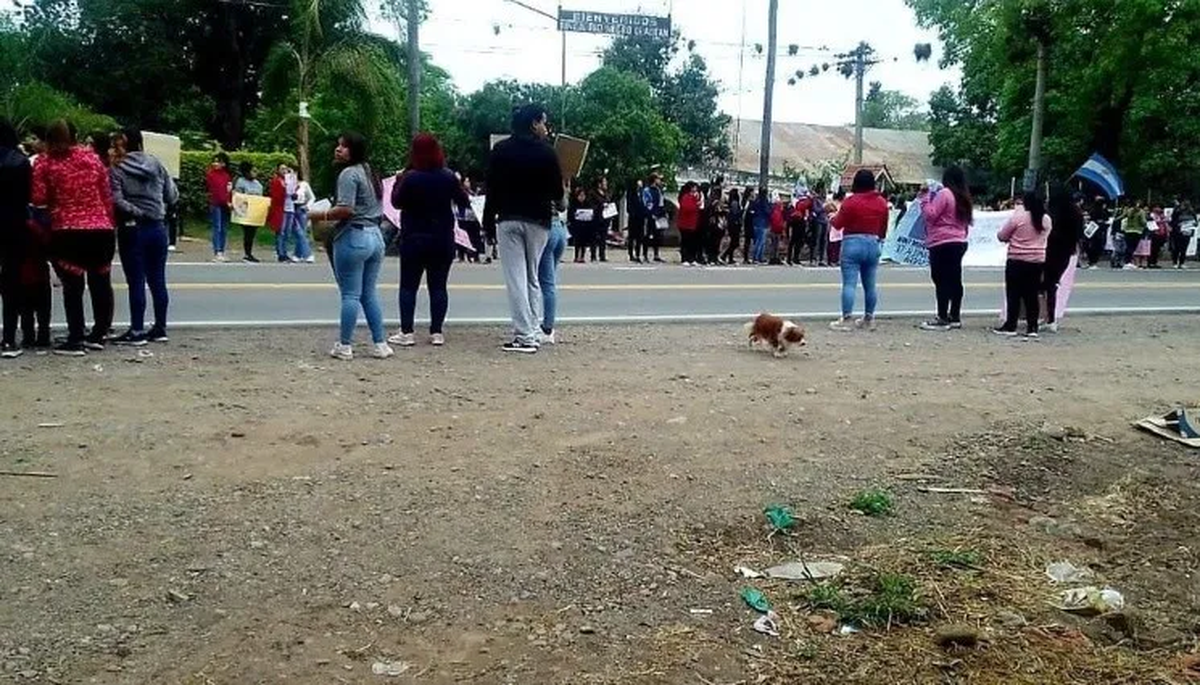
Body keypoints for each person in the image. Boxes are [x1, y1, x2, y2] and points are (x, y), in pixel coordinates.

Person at [482, 103, 564, 353]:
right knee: (532, 277)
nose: (546, 128)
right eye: (543, 122)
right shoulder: (548, 153)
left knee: (515, 278)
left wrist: (487, 222)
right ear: (533, 123)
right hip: (539, 220)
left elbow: (492, 190)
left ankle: (524, 334)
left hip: (508, 218)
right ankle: (534, 330)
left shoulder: (501, 150)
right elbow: (558, 195)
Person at [30, 120, 116, 356]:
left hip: (67, 229)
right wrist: (108, 221)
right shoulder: (92, 158)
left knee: (73, 287)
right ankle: (99, 333)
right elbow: (106, 194)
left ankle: (76, 337)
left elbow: (38, 198)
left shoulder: (44, 163)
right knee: (100, 282)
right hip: (101, 229)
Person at [307, 131, 393, 361]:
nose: (338, 149)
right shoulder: (370, 172)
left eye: (344, 146)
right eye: (338, 145)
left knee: (350, 295)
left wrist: (316, 214)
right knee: (369, 293)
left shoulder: (348, 174)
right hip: (375, 237)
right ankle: (380, 343)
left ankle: (345, 345)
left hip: (354, 236)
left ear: (353, 150)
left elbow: (345, 209)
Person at [388, 134, 470, 348]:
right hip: (442, 238)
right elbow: (464, 201)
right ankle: (436, 332)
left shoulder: (410, 177)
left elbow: (396, 202)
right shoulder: (448, 176)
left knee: (408, 286)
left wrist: (398, 181)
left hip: (414, 237)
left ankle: (407, 331)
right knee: (438, 286)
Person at [109, 128, 179, 346]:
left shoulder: (117, 168)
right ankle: (160, 327)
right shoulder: (156, 163)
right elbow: (171, 194)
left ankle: (137, 329)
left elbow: (117, 199)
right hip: (158, 228)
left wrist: (137, 211)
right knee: (158, 280)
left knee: (136, 281)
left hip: (133, 228)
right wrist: (157, 208)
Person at [829, 169, 889, 332]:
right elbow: (884, 228)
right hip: (873, 242)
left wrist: (832, 217)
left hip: (852, 243)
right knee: (870, 284)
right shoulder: (882, 203)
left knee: (849, 284)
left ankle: (846, 318)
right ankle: (869, 318)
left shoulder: (851, 201)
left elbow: (838, 223)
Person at [918, 166, 973, 331]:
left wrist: (925, 198)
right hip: (959, 241)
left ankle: (942, 316)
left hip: (941, 242)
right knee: (955, 279)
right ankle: (954, 315)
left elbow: (931, 214)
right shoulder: (964, 197)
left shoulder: (945, 194)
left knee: (940, 279)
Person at [0, 120, 38, 358]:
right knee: (12, 281)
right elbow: (29, 196)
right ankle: (9, 338)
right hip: (14, 225)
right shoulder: (20, 162)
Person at [994, 191, 1051, 338]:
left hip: (1017, 260)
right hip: (1037, 261)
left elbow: (1002, 236)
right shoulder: (1046, 220)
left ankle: (1011, 325)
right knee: (1031, 295)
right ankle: (1032, 327)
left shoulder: (1018, 217)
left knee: (1013, 294)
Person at [1044, 188, 1082, 333]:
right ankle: (1051, 319)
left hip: (1049, 251)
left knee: (1045, 285)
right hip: (1066, 252)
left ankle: (1047, 317)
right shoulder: (1076, 214)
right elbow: (1079, 235)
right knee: (1053, 284)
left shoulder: (1052, 214)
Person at [539, 188, 569, 344]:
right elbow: (563, 205)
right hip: (559, 227)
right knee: (549, 282)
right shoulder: (554, 178)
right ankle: (547, 324)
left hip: (544, 226)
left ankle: (547, 328)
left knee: (543, 282)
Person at [233, 162, 264, 262]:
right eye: (253, 171)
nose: (255, 173)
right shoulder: (241, 182)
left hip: (255, 211)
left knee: (252, 232)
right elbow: (238, 195)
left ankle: (249, 253)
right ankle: (247, 253)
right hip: (245, 211)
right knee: (248, 232)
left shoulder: (257, 183)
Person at [206, 153, 233, 261]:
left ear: (224, 164)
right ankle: (217, 251)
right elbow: (216, 190)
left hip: (225, 204)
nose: (215, 164)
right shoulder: (211, 174)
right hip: (216, 203)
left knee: (224, 228)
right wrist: (226, 201)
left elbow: (228, 190)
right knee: (217, 227)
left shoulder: (226, 175)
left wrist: (229, 201)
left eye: (218, 162)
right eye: (214, 161)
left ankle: (221, 250)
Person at [641, 173, 666, 263]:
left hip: (658, 215)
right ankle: (645, 255)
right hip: (649, 216)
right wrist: (651, 213)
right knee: (647, 235)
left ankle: (656, 254)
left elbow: (661, 203)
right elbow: (646, 203)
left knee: (657, 236)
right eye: (658, 179)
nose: (659, 181)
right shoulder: (647, 190)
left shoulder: (658, 190)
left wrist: (662, 213)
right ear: (654, 180)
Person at [676, 182, 702, 266]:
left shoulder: (695, 197)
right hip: (685, 223)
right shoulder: (686, 196)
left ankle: (692, 258)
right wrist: (696, 205)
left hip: (693, 223)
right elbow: (687, 208)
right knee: (685, 241)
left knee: (692, 242)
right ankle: (685, 258)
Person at [1169, 201, 1196, 269]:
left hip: (1187, 232)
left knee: (1184, 248)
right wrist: (1178, 225)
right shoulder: (1178, 212)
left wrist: (1194, 225)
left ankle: (1182, 263)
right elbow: (1173, 220)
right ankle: (1175, 262)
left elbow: (1195, 222)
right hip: (1178, 232)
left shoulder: (1192, 212)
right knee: (1176, 248)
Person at [568, 186, 591, 264]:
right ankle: (576, 256)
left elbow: (590, 213)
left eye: (583, 196)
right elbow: (570, 214)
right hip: (576, 225)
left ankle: (582, 256)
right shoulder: (574, 204)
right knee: (577, 241)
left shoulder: (587, 204)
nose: (582, 197)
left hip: (585, 224)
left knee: (583, 242)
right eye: (580, 195)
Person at [1122, 201, 1147, 270]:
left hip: (1128, 230)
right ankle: (1129, 262)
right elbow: (1143, 222)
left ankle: (1126, 262)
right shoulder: (1141, 212)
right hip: (1137, 231)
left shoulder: (1129, 211)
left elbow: (1124, 217)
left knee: (1128, 246)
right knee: (1133, 247)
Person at [721, 188, 742, 264]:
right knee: (735, 242)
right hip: (735, 225)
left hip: (731, 225)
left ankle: (729, 257)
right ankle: (724, 255)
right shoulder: (735, 203)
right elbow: (736, 214)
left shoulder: (731, 203)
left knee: (733, 242)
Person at [590, 177, 609, 263]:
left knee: (603, 237)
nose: (606, 184)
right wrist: (601, 206)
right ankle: (593, 255)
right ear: (599, 184)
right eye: (604, 182)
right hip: (596, 217)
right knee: (594, 237)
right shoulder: (593, 193)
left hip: (605, 218)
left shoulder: (606, 194)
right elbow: (592, 205)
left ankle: (602, 255)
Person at [625, 179, 644, 263]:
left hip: (641, 218)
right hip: (633, 218)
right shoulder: (631, 193)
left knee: (639, 237)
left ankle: (638, 254)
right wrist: (633, 213)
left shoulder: (642, 193)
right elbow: (629, 206)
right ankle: (630, 254)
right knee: (631, 237)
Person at [751, 187, 771, 264]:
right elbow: (767, 211)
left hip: (756, 221)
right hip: (763, 221)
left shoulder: (756, 200)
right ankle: (757, 257)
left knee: (757, 240)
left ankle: (758, 257)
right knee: (761, 241)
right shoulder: (764, 201)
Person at [767, 194, 786, 265]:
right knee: (776, 244)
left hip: (773, 228)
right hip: (778, 228)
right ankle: (776, 258)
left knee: (773, 244)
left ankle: (772, 258)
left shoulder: (772, 208)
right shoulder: (780, 210)